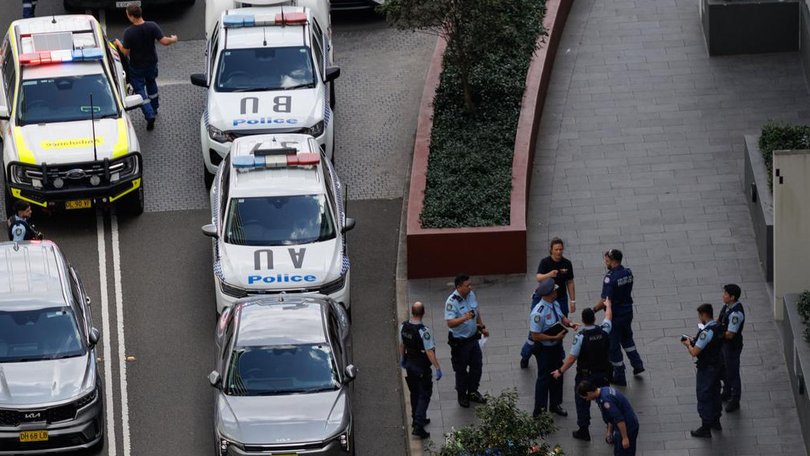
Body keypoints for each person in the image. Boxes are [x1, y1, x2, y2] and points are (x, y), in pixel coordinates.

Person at [552, 298, 613, 441]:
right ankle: (611, 427)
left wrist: (560, 371)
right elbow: (608, 317)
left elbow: (572, 358)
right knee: (605, 400)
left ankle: (584, 430)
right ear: (594, 318)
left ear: (583, 320)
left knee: (582, 402)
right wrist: (608, 305)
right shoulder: (604, 330)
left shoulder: (580, 337)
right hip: (603, 374)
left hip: (586, 377)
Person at [114, 5, 178, 131]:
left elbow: (125, 52)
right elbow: (164, 41)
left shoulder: (129, 32)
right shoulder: (152, 26)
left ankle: (149, 115)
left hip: (136, 67)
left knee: (140, 91)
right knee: (151, 83)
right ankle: (154, 107)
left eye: (127, 15)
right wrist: (174, 39)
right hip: (151, 64)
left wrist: (118, 44)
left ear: (131, 16)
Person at [521, 237, 577, 368]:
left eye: (561, 249)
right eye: (556, 249)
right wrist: (549, 275)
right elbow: (538, 277)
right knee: (535, 330)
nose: (559, 252)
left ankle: (559, 357)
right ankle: (526, 355)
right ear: (551, 250)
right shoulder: (545, 262)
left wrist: (572, 300)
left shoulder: (567, 264)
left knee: (560, 328)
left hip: (560, 298)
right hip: (544, 298)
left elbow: (570, 282)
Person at [593, 249, 644, 386]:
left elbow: (605, 299)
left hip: (615, 315)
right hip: (627, 312)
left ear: (613, 260)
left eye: (607, 260)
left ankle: (620, 376)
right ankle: (637, 364)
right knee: (627, 339)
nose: (605, 262)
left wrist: (594, 310)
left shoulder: (610, 278)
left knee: (613, 346)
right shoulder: (628, 272)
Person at [530, 278, 578, 418]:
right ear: (549, 293)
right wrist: (553, 338)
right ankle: (539, 410)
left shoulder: (554, 303)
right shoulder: (538, 313)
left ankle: (555, 404)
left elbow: (561, 318)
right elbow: (535, 335)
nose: (557, 291)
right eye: (555, 290)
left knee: (558, 374)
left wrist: (570, 324)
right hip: (545, 350)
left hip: (556, 347)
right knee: (544, 379)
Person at [399, 302, 442, 439]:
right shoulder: (424, 331)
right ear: (423, 313)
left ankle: (417, 418)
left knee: (414, 393)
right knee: (425, 394)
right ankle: (418, 425)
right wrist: (437, 367)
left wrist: (403, 358)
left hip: (410, 365)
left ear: (412, 312)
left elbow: (402, 345)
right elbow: (429, 352)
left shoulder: (403, 327)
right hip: (421, 367)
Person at [445, 273, 489, 408]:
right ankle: (462, 394)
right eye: (467, 285)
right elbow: (450, 323)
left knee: (477, 366)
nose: (470, 287)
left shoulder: (471, 295)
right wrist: (464, 318)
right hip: (460, 343)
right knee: (461, 370)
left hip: (473, 339)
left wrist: (482, 326)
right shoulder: (451, 302)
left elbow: (476, 312)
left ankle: (473, 391)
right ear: (458, 287)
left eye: (470, 285)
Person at [682, 303, 723, 438]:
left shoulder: (705, 332)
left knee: (704, 395)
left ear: (704, 314)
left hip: (707, 369)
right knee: (715, 393)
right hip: (717, 366)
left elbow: (694, 352)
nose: (699, 318)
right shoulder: (717, 327)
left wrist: (688, 344)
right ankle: (716, 421)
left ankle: (705, 427)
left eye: (699, 315)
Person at [577, 380, 639, 456]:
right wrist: (609, 432)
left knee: (625, 453)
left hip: (627, 428)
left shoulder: (606, 400)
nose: (587, 399)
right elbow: (611, 416)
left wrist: (625, 438)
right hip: (623, 427)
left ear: (589, 393)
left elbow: (619, 419)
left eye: (586, 397)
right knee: (618, 452)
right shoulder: (604, 390)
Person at [718, 283, 744, 413]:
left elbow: (730, 334)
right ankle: (726, 391)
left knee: (732, 371)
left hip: (731, 347)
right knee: (724, 368)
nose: (723, 296)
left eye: (725, 294)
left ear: (732, 297)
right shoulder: (727, 307)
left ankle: (735, 399)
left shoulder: (735, 314)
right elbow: (720, 320)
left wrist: (718, 334)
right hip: (724, 345)